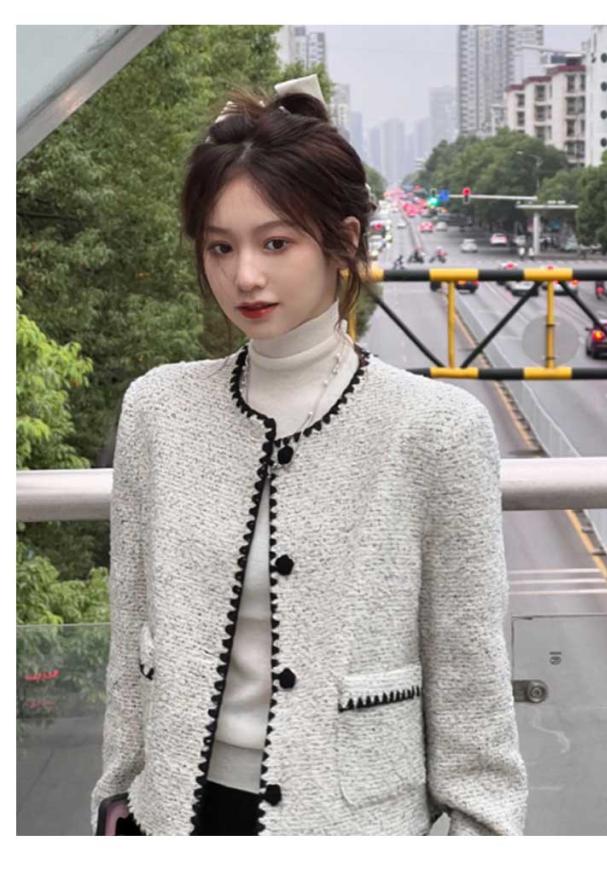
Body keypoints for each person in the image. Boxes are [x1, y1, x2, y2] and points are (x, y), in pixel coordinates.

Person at [90, 74, 528, 837]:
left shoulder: (435, 430)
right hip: (175, 816)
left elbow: (472, 679)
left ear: (344, 241)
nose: (244, 276)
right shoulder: (158, 409)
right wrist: (115, 800)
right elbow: (132, 636)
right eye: (220, 246)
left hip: (352, 825)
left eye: (276, 243)